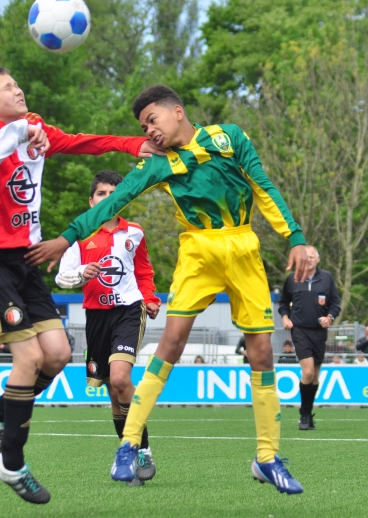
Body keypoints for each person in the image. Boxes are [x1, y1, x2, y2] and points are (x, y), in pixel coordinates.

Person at [24, 85, 308, 494]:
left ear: (177, 111)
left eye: (152, 121)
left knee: (262, 353)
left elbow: (262, 186)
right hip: (198, 252)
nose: (148, 132)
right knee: (170, 344)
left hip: (244, 249)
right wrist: (68, 238)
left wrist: (293, 235)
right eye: (142, 127)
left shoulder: (229, 137)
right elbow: (112, 204)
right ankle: (129, 445)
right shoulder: (158, 164)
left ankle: (267, 458)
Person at [0, 64, 161, 504]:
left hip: (25, 259)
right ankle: (10, 463)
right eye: (7, 87)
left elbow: (83, 142)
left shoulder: (34, 127)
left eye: (17, 82)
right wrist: (18, 132)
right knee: (28, 357)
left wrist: (133, 146)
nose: (18, 88)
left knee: (58, 354)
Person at [55, 170, 161, 487]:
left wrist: (151, 298)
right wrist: (81, 275)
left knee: (120, 378)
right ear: (92, 200)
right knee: (114, 394)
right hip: (96, 316)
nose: (107, 199)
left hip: (128, 310)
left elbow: (143, 271)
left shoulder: (136, 233)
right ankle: (128, 448)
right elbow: (62, 277)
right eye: (101, 194)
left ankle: (141, 450)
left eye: (114, 194)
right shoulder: (80, 234)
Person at [278, 245, 341, 432]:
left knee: (315, 375)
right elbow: (282, 303)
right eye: (307, 257)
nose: (310, 259)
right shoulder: (293, 279)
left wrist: (329, 317)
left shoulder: (327, 278)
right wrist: (285, 317)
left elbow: (335, 303)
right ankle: (304, 415)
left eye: (313, 256)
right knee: (307, 373)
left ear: (318, 259)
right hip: (299, 330)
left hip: (319, 331)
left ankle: (308, 411)